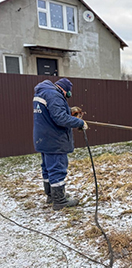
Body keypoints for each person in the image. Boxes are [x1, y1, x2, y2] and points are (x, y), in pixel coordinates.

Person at [33, 78, 88, 211]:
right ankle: (59, 201)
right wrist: (79, 123)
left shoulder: (43, 92)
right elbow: (60, 118)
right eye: (68, 94)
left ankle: (51, 196)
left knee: (47, 168)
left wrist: (69, 110)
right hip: (54, 140)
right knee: (57, 168)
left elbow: (52, 111)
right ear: (66, 91)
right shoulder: (54, 95)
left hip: (44, 138)